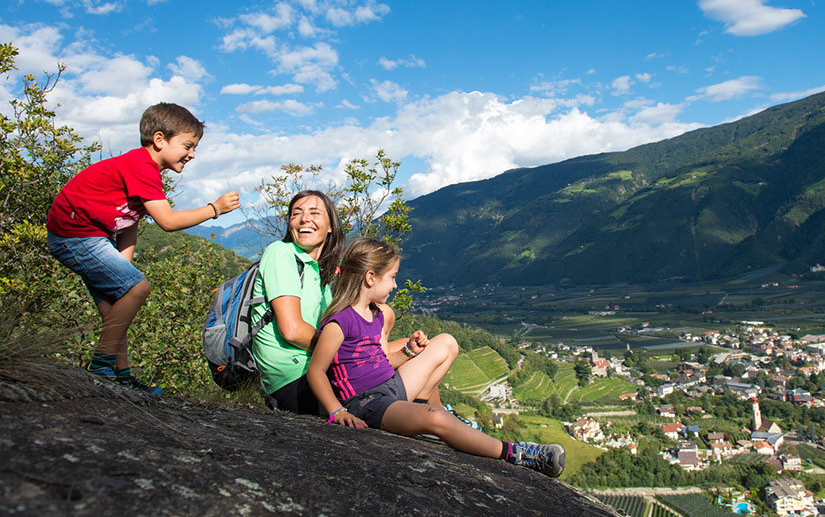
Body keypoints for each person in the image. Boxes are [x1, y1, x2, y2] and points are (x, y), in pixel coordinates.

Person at [307, 237, 566, 478]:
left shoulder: (376, 314)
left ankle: (422, 414)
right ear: (371, 277)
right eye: (393, 277)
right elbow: (316, 372)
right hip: (367, 405)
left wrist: (409, 352)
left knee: (446, 343)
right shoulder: (339, 323)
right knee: (435, 416)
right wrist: (336, 411)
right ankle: (515, 454)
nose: (396, 285)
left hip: (391, 388)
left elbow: (382, 362)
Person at [46, 102, 241, 394]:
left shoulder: (143, 169)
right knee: (137, 288)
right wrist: (215, 208)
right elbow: (168, 222)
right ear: (160, 140)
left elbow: (129, 221)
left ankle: (120, 376)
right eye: (187, 145)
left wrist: (124, 266)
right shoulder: (141, 165)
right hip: (75, 236)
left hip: (91, 237)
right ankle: (100, 368)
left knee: (116, 310)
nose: (192, 154)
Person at [250, 190, 345, 415]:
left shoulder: (317, 272)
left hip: (314, 370)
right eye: (296, 213)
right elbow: (292, 330)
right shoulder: (280, 253)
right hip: (293, 378)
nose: (304, 219)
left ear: (330, 225)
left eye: (314, 212)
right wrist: (349, 353)